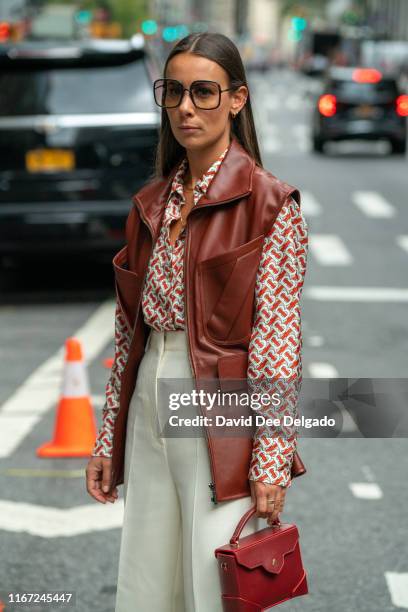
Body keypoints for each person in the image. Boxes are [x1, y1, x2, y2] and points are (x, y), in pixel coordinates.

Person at [85, 31, 308, 612]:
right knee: (145, 588)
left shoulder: (270, 204)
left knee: (214, 592)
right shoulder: (151, 203)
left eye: (204, 92)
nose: (186, 107)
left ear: (237, 99)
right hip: (146, 406)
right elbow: (129, 336)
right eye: (175, 92)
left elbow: (277, 346)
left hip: (222, 411)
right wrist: (108, 439)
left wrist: (271, 458)